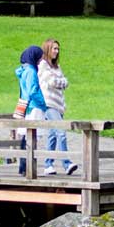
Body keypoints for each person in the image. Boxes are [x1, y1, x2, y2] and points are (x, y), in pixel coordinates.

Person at [38, 38, 77, 175]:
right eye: (54, 48)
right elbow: (54, 82)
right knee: (61, 131)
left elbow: (65, 82)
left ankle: (48, 164)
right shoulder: (43, 65)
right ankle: (66, 164)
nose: (57, 51)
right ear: (48, 49)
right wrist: (62, 82)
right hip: (49, 105)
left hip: (59, 105)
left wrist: (62, 82)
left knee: (53, 135)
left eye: (58, 49)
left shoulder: (57, 67)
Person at [14, 45, 48, 174]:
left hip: (26, 106)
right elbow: (33, 91)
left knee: (25, 137)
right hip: (34, 106)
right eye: (40, 58)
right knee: (31, 137)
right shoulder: (31, 71)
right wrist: (43, 103)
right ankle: (28, 168)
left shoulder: (24, 70)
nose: (40, 60)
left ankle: (23, 167)